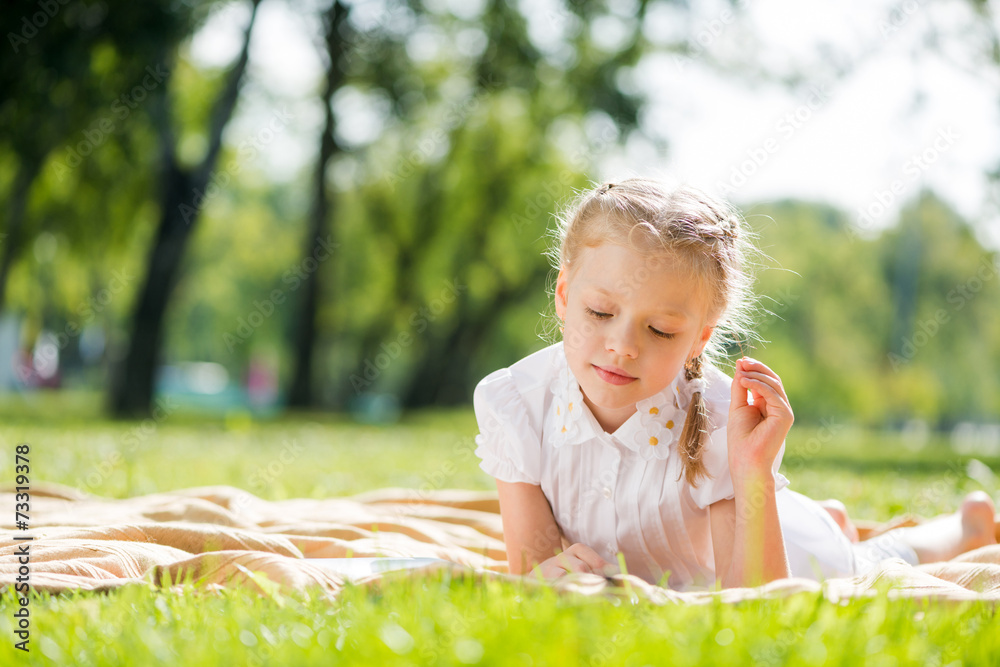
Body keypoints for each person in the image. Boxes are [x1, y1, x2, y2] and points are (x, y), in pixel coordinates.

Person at [472, 178, 996, 590]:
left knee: (858, 565)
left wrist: (753, 474)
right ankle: (825, 518)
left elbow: (756, 598)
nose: (623, 345)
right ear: (564, 296)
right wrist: (548, 580)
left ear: (699, 339)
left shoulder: (722, 421)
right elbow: (532, 570)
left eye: (660, 330)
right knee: (826, 535)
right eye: (600, 311)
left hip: (767, 547)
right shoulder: (514, 403)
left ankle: (963, 526)